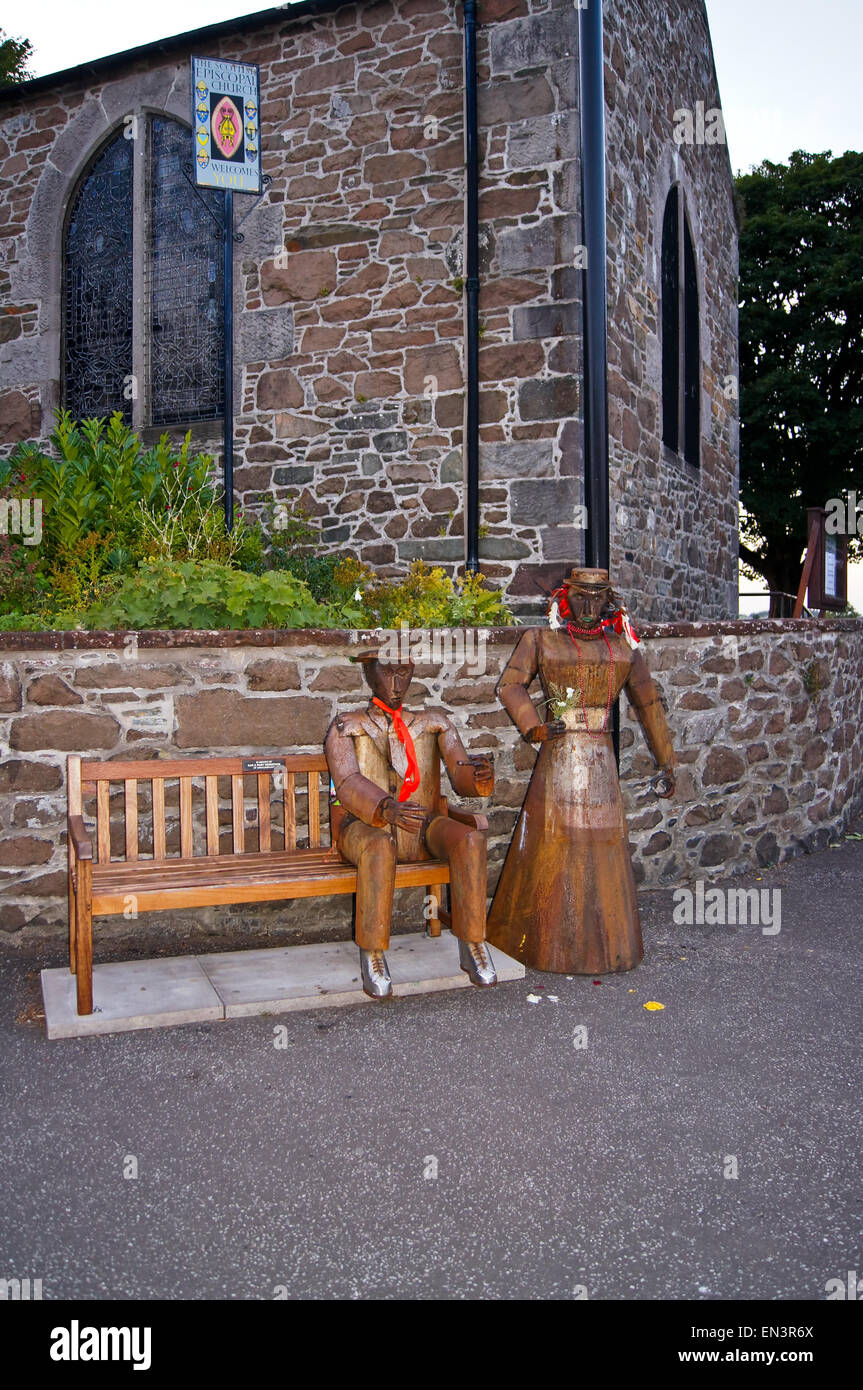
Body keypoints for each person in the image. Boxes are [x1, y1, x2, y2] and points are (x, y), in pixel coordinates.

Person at [485, 568, 676, 975]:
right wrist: (533, 725)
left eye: (597, 598)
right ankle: (541, 940)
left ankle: (607, 943)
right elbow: (510, 685)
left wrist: (667, 760)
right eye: (581, 597)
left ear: (609, 600)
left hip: (601, 759)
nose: (588, 606)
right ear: (565, 597)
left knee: (603, 847)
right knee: (551, 845)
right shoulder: (541, 641)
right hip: (557, 753)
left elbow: (648, 704)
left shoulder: (623, 649)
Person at [325, 650, 497, 998]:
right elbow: (346, 781)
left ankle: (473, 942)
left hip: (422, 824)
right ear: (369, 674)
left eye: (403, 673)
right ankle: (372, 952)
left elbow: (460, 771)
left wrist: (477, 774)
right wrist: (383, 806)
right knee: (378, 846)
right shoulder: (347, 725)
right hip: (363, 825)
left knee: (470, 840)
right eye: (387, 673)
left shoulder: (435, 722)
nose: (395, 683)